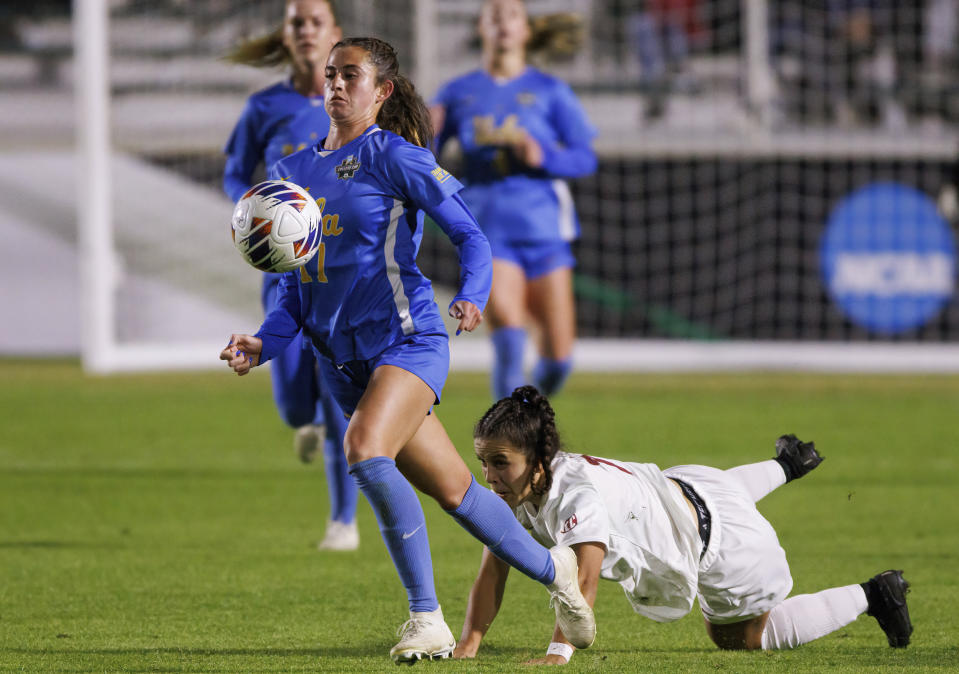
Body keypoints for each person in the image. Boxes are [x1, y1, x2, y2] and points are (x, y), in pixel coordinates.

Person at [219, 37, 596, 664]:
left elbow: (472, 237)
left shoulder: (397, 157)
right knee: (458, 493)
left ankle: (428, 620)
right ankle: (556, 572)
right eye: (330, 75)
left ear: (382, 91)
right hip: (338, 362)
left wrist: (474, 294)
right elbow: (293, 292)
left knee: (364, 450)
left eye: (351, 76)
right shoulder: (289, 176)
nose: (335, 85)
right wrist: (263, 343)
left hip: (407, 340)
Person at [456, 385, 913, 665]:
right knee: (712, 495)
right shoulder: (519, 488)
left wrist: (558, 656)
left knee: (737, 637)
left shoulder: (574, 497)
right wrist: (468, 646)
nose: (490, 475)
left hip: (723, 545)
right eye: (483, 462)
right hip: (688, 486)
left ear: (537, 461)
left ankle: (874, 593)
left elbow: (583, 584)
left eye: (500, 462)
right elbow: (494, 566)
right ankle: (787, 465)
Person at [222, 0, 359, 551]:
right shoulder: (264, 107)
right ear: (287, 34)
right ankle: (305, 423)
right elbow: (234, 170)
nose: (305, 29)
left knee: (335, 396)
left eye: (315, 21)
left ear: (335, 34)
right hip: (284, 277)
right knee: (295, 407)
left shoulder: (356, 110)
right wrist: (253, 214)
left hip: (339, 279)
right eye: (296, 21)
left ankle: (343, 521)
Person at [430, 0, 597, 401]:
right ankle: (506, 437)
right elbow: (423, 154)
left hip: (543, 230)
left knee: (558, 357)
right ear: (482, 28)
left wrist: (546, 157)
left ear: (525, 30)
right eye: (494, 16)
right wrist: (423, 135)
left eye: (512, 16)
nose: (503, 23)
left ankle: (524, 414)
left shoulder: (549, 90)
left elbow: (585, 157)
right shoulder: (457, 93)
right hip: (487, 228)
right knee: (507, 325)